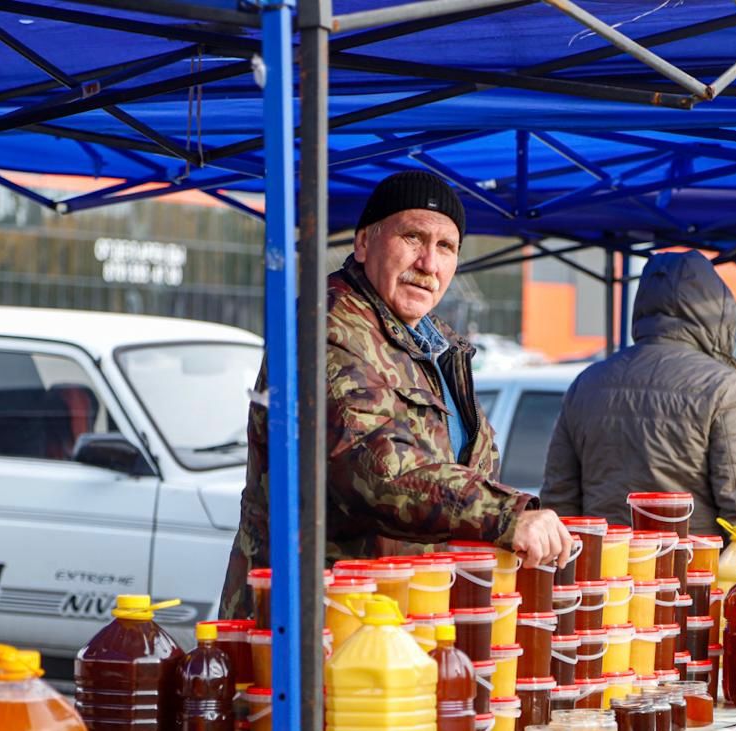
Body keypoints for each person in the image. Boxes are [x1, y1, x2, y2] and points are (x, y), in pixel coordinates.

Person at [220, 171, 572, 618]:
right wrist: (505, 514)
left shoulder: (438, 345)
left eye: (446, 247)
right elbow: (375, 467)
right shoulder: (325, 325)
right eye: (413, 237)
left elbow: (463, 468)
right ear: (364, 243)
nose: (429, 263)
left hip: (401, 617)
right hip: (319, 621)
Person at [540, 250, 736, 541]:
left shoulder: (588, 383)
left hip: (605, 573)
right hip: (695, 577)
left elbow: (559, 503)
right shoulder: (723, 386)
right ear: (718, 310)